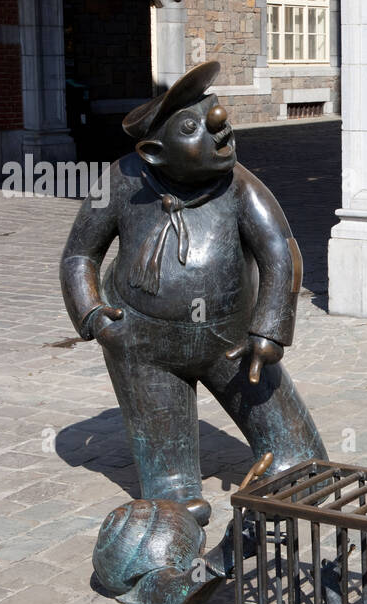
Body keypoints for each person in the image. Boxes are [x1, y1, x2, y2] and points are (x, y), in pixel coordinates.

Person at [60, 61, 327, 532]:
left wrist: (269, 328)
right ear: (154, 152)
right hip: (144, 347)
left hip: (232, 340)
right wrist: (94, 315)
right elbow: (80, 255)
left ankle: (291, 466)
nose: (219, 126)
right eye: (194, 126)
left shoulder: (239, 185)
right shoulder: (122, 181)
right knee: (171, 487)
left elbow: (281, 253)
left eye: (214, 113)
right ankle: (175, 495)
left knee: (300, 456)